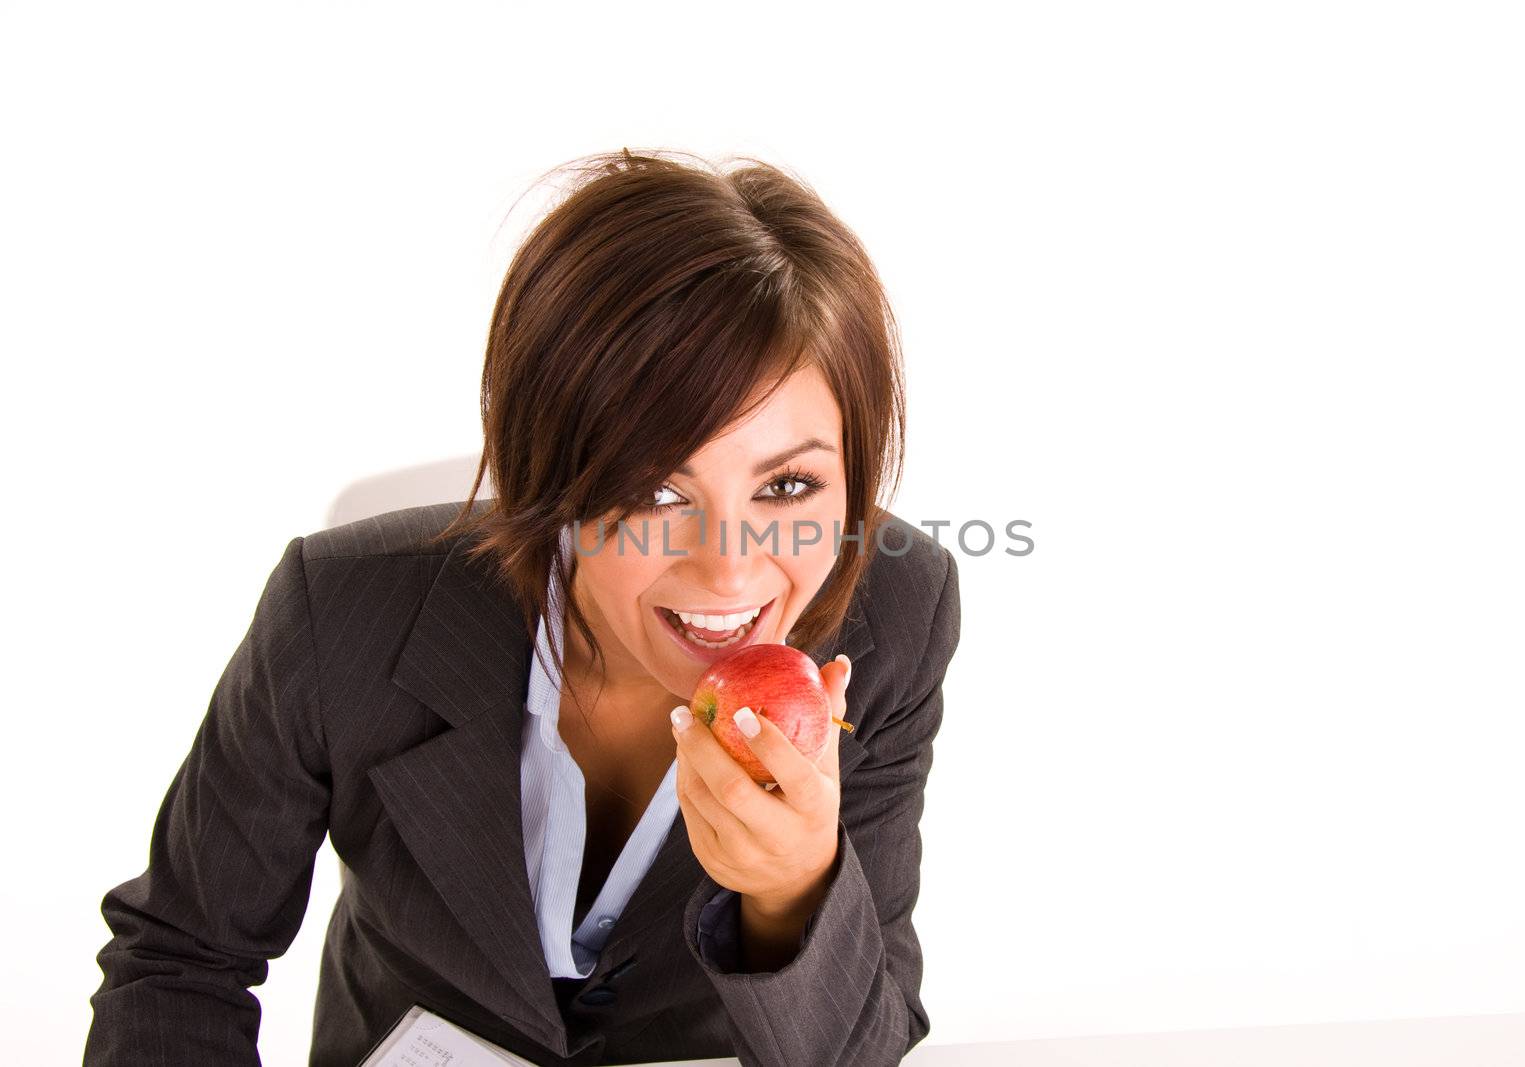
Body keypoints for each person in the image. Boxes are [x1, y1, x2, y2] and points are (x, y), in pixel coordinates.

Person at [84, 147, 962, 1066]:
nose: (730, 571)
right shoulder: (342, 611)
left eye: (787, 486)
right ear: (552, 473)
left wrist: (792, 894)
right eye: (659, 490)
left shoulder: (891, 618)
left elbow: (864, 1048)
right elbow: (180, 960)